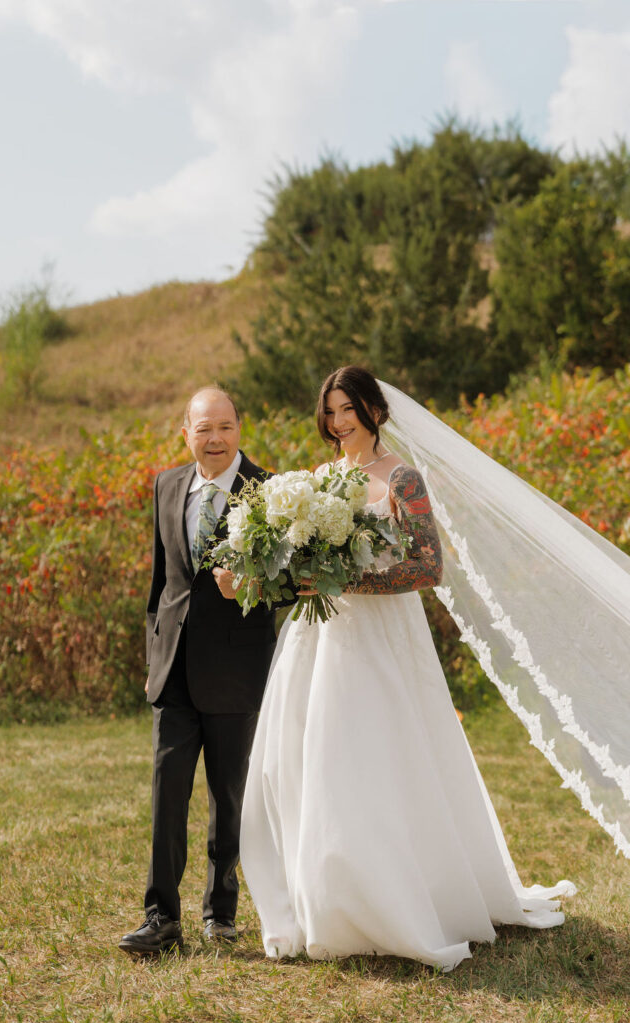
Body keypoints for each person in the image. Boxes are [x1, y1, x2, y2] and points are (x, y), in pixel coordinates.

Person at [239, 366, 577, 971]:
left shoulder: (403, 478)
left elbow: (428, 567)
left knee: (381, 755)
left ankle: (403, 897)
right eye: (331, 412)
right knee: (314, 757)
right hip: (321, 636)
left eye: (349, 410)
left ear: (374, 411)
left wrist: (350, 579)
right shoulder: (319, 479)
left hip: (383, 636)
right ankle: (329, 899)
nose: (339, 423)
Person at [119, 387, 279, 954]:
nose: (215, 440)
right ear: (185, 431)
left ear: (240, 429)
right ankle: (160, 918)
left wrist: (253, 582)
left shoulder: (268, 491)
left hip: (237, 667)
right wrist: (151, 658)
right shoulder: (166, 485)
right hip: (173, 670)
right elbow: (160, 583)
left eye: (226, 428)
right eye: (203, 428)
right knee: (167, 793)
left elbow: (287, 583)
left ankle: (221, 912)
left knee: (227, 795)